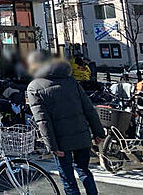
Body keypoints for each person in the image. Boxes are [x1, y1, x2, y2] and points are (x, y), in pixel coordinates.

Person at [26, 50, 105, 195]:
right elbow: (89, 109)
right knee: (84, 170)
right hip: (82, 135)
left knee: (68, 179)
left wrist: (52, 146)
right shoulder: (71, 81)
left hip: (60, 141)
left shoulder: (34, 87)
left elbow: (43, 121)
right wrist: (98, 132)